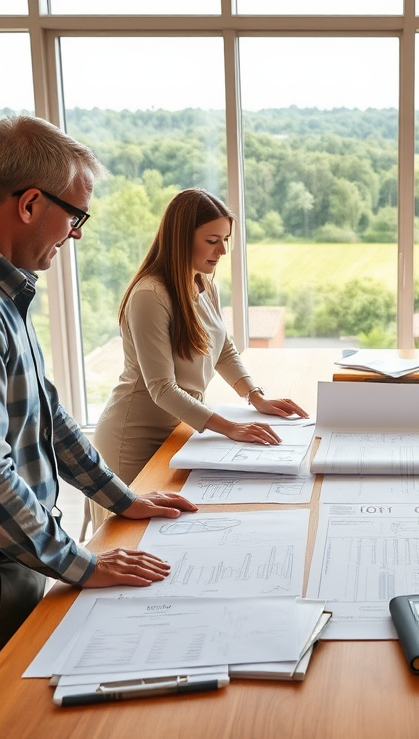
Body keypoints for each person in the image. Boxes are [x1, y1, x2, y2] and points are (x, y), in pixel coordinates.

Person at [0, 116, 196, 695]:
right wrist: (82, 562)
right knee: (10, 725)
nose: (76, 233)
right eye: (75, 214)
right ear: (30, 203)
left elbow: (44, 412)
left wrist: (120, 498)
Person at [91, 188, 307, 525]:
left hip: (177, 432)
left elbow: (221, 346)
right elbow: (161, 388)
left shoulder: (204, 283)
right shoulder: (150, 295)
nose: (222, 251)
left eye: (225, 240)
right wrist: (230, 428)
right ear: (181, 238)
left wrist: (255, 396)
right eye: (212, 240)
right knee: (131, 538)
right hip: (133, 441)